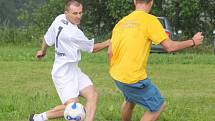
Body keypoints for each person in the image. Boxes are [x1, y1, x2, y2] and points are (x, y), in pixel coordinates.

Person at [107, 0, 204, 121]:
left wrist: (117, 72)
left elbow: (110, 52)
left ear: (134, 1)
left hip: (117, 74)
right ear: (151, 2)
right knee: (158, 106)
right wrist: (193, 42)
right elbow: (170, 47)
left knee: (130, 100)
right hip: (133, 78)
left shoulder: (121, 22)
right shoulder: (150, 20)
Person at [29, 0, 109, 121]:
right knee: (72, 108)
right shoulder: (74, 33)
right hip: (63, 73)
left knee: (93, 95)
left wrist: (43, 51)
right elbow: (93, 48)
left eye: (80, 13)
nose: (78, 16)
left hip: (74, 70)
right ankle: (37, 118)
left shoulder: (59, 19)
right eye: (75, 13)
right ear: (66, 13)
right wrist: (109, 42)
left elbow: (47, 37)